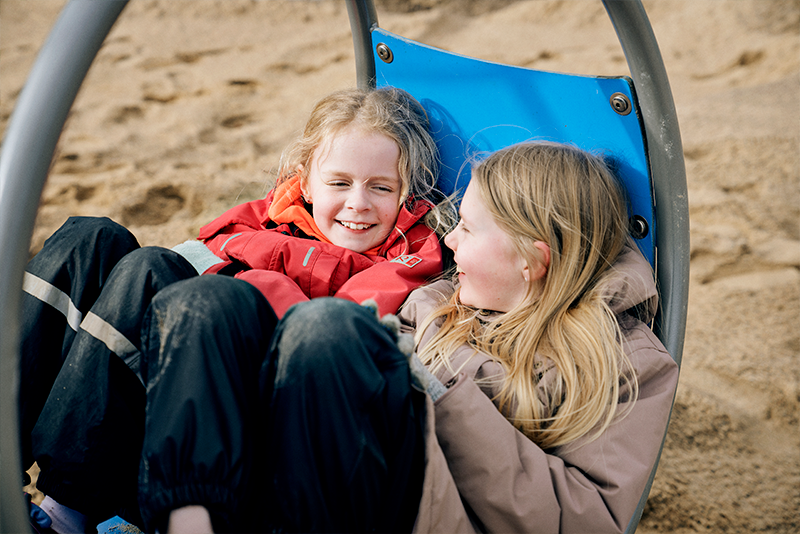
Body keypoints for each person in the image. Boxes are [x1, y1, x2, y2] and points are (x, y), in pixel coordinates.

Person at [137, 141, 678, 533]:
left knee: (328, 328)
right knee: (212, 302)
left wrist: (438, 394)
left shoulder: (624, 363)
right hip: (316, 480)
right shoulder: (437, 304)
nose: (450, 240)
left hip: (420, 508)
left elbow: (583, 520)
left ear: (532, 261)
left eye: (467, 228)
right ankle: (190, 520)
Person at [20, 86, 452, 532]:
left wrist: (257, 282)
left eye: (381, 187)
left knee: (173, 275)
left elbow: (327, 348)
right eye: (339, 183)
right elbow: (175, 268)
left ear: (406, 195)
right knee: (93, 240)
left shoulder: (407, 261)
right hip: (155, 414)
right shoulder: (262, 220)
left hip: (239, 445)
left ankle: (65, 511)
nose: (358, 203)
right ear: (304, 181)